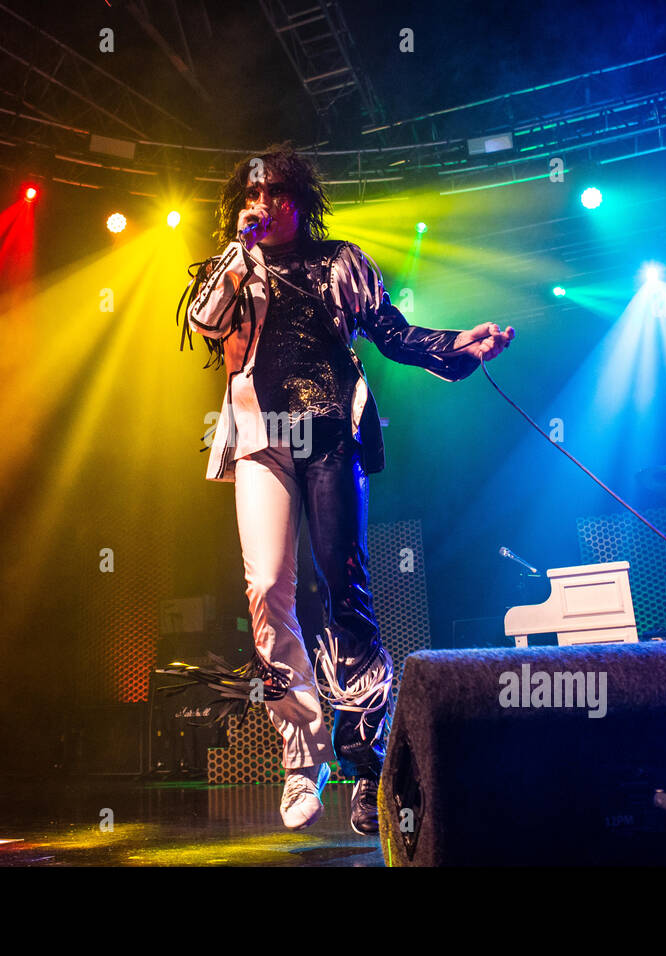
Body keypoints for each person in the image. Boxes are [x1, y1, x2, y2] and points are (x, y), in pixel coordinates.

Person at [177, 143, 514, 834]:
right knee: (267, 585)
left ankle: (365, 763)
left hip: (329, 435)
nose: (262, 206)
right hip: (262, 442)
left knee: (344, 585)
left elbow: (392, 334)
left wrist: (462, 346)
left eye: (275, 194)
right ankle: (301, 753)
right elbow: (201, 325)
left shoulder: (340, 262)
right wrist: (236, 259)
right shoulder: (232, 271)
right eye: (251, 196)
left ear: (299, 200)